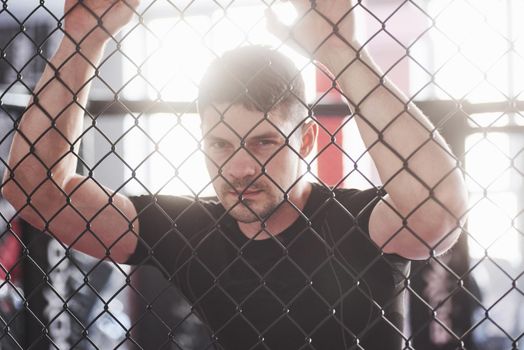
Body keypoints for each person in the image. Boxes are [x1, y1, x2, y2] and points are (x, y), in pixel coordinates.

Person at [1, 0, 468, 349]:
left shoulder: (357, 220)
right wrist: (84, 34)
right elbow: (33, 190)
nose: (241, 169)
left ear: (305, 140)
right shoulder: (187, 230)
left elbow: (438, 213)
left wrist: (339, 51)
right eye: (220, 145)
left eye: (265, 143)